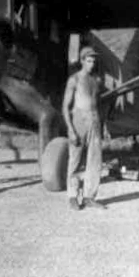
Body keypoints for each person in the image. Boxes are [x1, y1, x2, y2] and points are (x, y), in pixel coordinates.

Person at [62, 46, 107, 211]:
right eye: (89, 60)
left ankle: (89, 197)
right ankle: (73, 197)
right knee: (75, 160)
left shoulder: (96, 81)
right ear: (82, 61)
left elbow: (97, 104)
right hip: (79, 121)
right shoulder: (74, 79)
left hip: (95, 122)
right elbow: (65, 107)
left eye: (94, 61)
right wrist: (71, 130)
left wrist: (102, 125)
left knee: (95, 161)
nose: (92, 64)